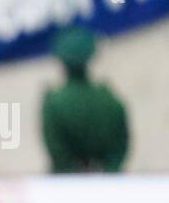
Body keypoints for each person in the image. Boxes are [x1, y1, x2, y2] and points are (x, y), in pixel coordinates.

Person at [41, 26, 129, 173]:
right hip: (110, 186)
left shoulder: (53, 104)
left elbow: (58, 155)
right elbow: (120, 147)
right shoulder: (109, 99)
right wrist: (108, 173)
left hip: (67, 187)